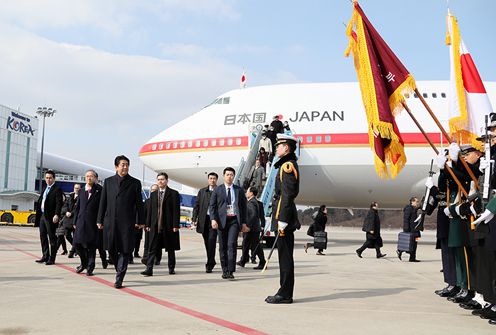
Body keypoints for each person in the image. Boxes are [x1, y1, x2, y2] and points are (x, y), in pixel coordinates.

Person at [97, 155, 144, 289]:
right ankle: (119, 267)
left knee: (124, 249)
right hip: (110, 221)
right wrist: (99, 219)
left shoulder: (135, 182)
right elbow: (103, 202)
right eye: (122, 164)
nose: (125, 167)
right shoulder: (108, 181)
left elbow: (139, 203)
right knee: (110, 248)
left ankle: (119, 278)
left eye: (127, 164)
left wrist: (140, 220)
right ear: (116, 166)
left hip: (127, 222)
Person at [265, 133, 300, 304]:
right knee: (284, 256)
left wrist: (282, 220)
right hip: (282, 217)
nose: (276, 148)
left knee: (285, 257)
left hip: (283, 219)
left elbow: (287, 195)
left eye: (279, 146)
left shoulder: (287, 166)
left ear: (286, 148)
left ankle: (285, 294)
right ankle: (284, 291)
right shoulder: (285, 165)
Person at [209, 167, 248, 280]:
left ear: (234, 176)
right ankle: (224, 270)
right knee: (222, 246)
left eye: (231, 175)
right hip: (221, 221)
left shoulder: (239, 190)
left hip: (234, 221)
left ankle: (231, 270)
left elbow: (243, 207)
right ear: (224, 176)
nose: (229, 176)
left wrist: (244, 222)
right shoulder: (218, 190)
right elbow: (212, 206)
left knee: (231, 244)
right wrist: (213, 219)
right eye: (227, 174)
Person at [141, 172, 180, 276]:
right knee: (152, 248)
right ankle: (149, 269)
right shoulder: (153, 194)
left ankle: (171, 268)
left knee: (170, 249)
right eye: (158, 180)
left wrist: (176, 225)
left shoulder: (173, 193)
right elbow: (150, 211)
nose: (160, 181)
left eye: (162, 179)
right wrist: (148, 224)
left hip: (168, 226)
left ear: (167, 181)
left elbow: (176, 210)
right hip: (155, 226)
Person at [73, 170, 102, 276]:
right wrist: (75, 220)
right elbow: (78, 207)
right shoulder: (81, 191)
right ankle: (84, 263)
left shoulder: (100, 190)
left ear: (95, 178)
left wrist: (100, 220)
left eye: (91, 176)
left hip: (93, 223)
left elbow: (102, 207)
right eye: (87, 176)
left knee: (91, 246)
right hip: (81, 221)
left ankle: (90, 267)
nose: (89, 178)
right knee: (76, 243)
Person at [35, 170, 64, 265]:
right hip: (42, 216)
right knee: (43, 237)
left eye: (50, 178)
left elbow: (59, 203)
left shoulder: (57, 189)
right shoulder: (44, 188)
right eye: (46, 178)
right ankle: (45, 256)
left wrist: (57, 214)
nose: (48, 179)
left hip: (51, 216)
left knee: (52, 238)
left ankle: (52, 258)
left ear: (54, 178)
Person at [192, 172, 218, 273]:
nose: (212, 180)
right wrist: (194, 218)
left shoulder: (220, 191)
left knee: (212, 241)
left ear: (216, 180)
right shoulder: (202, 191)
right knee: (207, 242)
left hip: (214, 221)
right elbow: (197, 205)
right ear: (208, 180)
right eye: (211, 178)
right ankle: (211, 260)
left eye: (214, 178)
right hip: (204, 220)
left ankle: (210, 263)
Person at [237, 187, 265, 269]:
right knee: (245, 244)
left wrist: (247, 226)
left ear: (251, 193)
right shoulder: (253, 202)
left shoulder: (251, 203)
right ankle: (243, 260)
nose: (246, 193)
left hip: (252, 228)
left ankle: (262, 262)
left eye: (247, 191)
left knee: (256, 246)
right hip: (253, 228)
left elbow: (252, 215)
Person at [141, 184, 161, 266]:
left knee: (157, 244)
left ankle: (157, 258)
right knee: (147, 242)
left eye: (156, 190)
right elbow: (145, 214)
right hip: (148, 226)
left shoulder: (161, 201)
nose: (154, 191)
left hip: (158, 226)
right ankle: (145, 258)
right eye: (152, 190)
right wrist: (144, 225)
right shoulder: (147, 201)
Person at [398, 197, 421, 262]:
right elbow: (406, 219)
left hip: (416, 230)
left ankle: (412, 258)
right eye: (416, 201)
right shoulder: (408, 208)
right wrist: (406, 229)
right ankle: (400, 250)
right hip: (411, 230)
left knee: (416, 242)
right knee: (410, 243)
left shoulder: (414, 208)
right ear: (412, 202)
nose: (417, 203)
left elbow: (417, 209)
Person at [61, 184, 81, 258]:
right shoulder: (70, 197)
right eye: (75, 188)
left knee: (76, 237)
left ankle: (72, 251)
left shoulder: (82, 197)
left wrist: (71, 213)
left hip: (76, 220)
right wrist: (66, 212)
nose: (77, 189)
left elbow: (79, 208)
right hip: (68, 220)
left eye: (78, 188)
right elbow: (64, 206)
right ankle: (76, 248)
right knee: (67, 235)